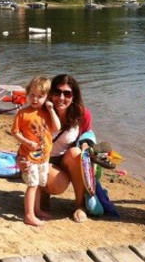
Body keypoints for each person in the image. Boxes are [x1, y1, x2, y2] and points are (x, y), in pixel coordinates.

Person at [42, 74, 93, 223]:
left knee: (76, 153)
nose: (61, 97)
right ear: (50, 93)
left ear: (74, 96)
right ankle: (44, 193)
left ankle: (79, 205)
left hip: (65, 160)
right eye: (57, 92)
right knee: (59, 185)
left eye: (67, 93)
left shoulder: (82, 114)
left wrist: (87, 145)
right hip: (43, 159)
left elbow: (87, 135)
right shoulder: (41, 111)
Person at [11, 76, 60, 226]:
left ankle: (36, 210)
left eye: (40, 96)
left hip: (43, 157)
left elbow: (57, 128)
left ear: (47, 97)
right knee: (32, 185)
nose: (35, 99)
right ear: (27, 94)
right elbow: (15, 132)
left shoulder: (46, 112)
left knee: (39, 184)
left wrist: (51, 110)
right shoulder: (22, 113)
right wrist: (26, 142)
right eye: (32, 95)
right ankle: (29, 215)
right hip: (29, 156)